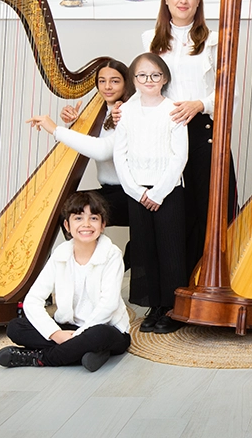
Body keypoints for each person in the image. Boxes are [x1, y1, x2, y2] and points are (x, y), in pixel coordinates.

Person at [143, 0, 237, 276]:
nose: (183, 0)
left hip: (204, 131)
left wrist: (201, 104)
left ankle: (208, 281)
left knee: (209, 210)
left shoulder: (213, 40)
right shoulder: (150, 39)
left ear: (198, 3)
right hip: (165, 134)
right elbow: (146, 85)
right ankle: (176, 287)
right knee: (174, 214)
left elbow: (229, 92)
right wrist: (122, 109)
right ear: (166, 0)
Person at [0, 191, 131, 372]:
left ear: (103, 225)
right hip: (69, 327)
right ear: (67, 225)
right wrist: (55, 334)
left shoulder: (111, 254)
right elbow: (33, 300)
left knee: (99, 335)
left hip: (106, 327)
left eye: (93, 218)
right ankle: (86, 354)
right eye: (78, 218)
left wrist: (79, 336)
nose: (86, 224)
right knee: (15, 327)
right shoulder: (60, 254)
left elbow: (109, 305)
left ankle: (41, 358)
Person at [27, 60, 135, 266]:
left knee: (73, 208)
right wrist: (77, 123)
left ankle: (90, 263)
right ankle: (78, 265)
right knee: (65, 205)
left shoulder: (127, 112)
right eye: (102, 81)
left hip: (131, 195)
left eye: (115, 81)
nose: (107, 86)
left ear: (126, 83)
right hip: (109, 191)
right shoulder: (99, 111)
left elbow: (102, 150)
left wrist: (57, 130)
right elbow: (89, 140)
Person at [113, 52, 188, 334]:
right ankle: (153, 306)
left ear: (164, 79)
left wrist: (157, 193)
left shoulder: (173, 110)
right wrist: (135, 190)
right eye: (142, 75)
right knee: (145, 250)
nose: (149, 80)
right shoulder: (126, 111)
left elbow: (179, 157)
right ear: (134, 79)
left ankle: (172, 309)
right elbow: (120, 155)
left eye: (155, 75)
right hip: (137, 192)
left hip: (167, 192)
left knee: (170, 251)